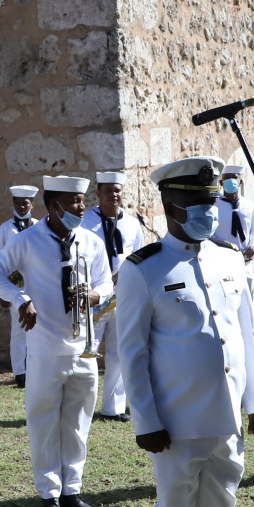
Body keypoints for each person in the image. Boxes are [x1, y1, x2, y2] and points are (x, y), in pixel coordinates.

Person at [116, 156, 254, 507]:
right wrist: (145, 420)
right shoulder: (143, 269)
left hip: (227, 417)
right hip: (177, 422)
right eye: (198, 204)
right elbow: (132, 352)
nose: (209, 212)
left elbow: (245, 334)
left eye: (212, 202)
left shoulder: (229, 258)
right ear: (171, 206)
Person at [0, 175, 109, 507]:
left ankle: (73, 490)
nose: (82, 208)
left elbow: (106, 282)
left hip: (82, 346)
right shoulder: (27, 240)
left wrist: (96, 295)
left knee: (78, 422)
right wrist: (20, 298)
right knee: (44, 421)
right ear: (54, 206)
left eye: (82, 200)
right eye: (75, 202)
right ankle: (49, 494)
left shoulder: (91, 240)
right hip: (45, 346)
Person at [85, 170, 153, 421]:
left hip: (122, 295)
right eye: (108, 190)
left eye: (117, 191)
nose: (113, 195)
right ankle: (83, 406)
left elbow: (140, 258)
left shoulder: (132, 224)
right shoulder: (85, 221)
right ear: (98, 193)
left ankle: (113, 408)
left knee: (118, 352)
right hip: (93, 294)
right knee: (88, 351)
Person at [0, 185, 40, 389]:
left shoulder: (39, 226)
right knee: (18, 328)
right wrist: (2, 291)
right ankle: (20, 372)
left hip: (37, 281)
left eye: (26, 203)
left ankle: (35, 367)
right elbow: (0, 259)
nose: (22, 206)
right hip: (15, 284)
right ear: (13, 203)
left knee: (38, 327)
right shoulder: (5, 229)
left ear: (32, 204)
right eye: (18, 203)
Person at [215, 162, 254, 289]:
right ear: (221, 183)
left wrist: (253, 246)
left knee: (246, 298)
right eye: (227, 178)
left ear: (241, 183)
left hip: (245, 265)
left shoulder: (249, 205)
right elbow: (210, 234)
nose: (231, 181)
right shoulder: (214, 206)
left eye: (234, 178)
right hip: (222, 263)